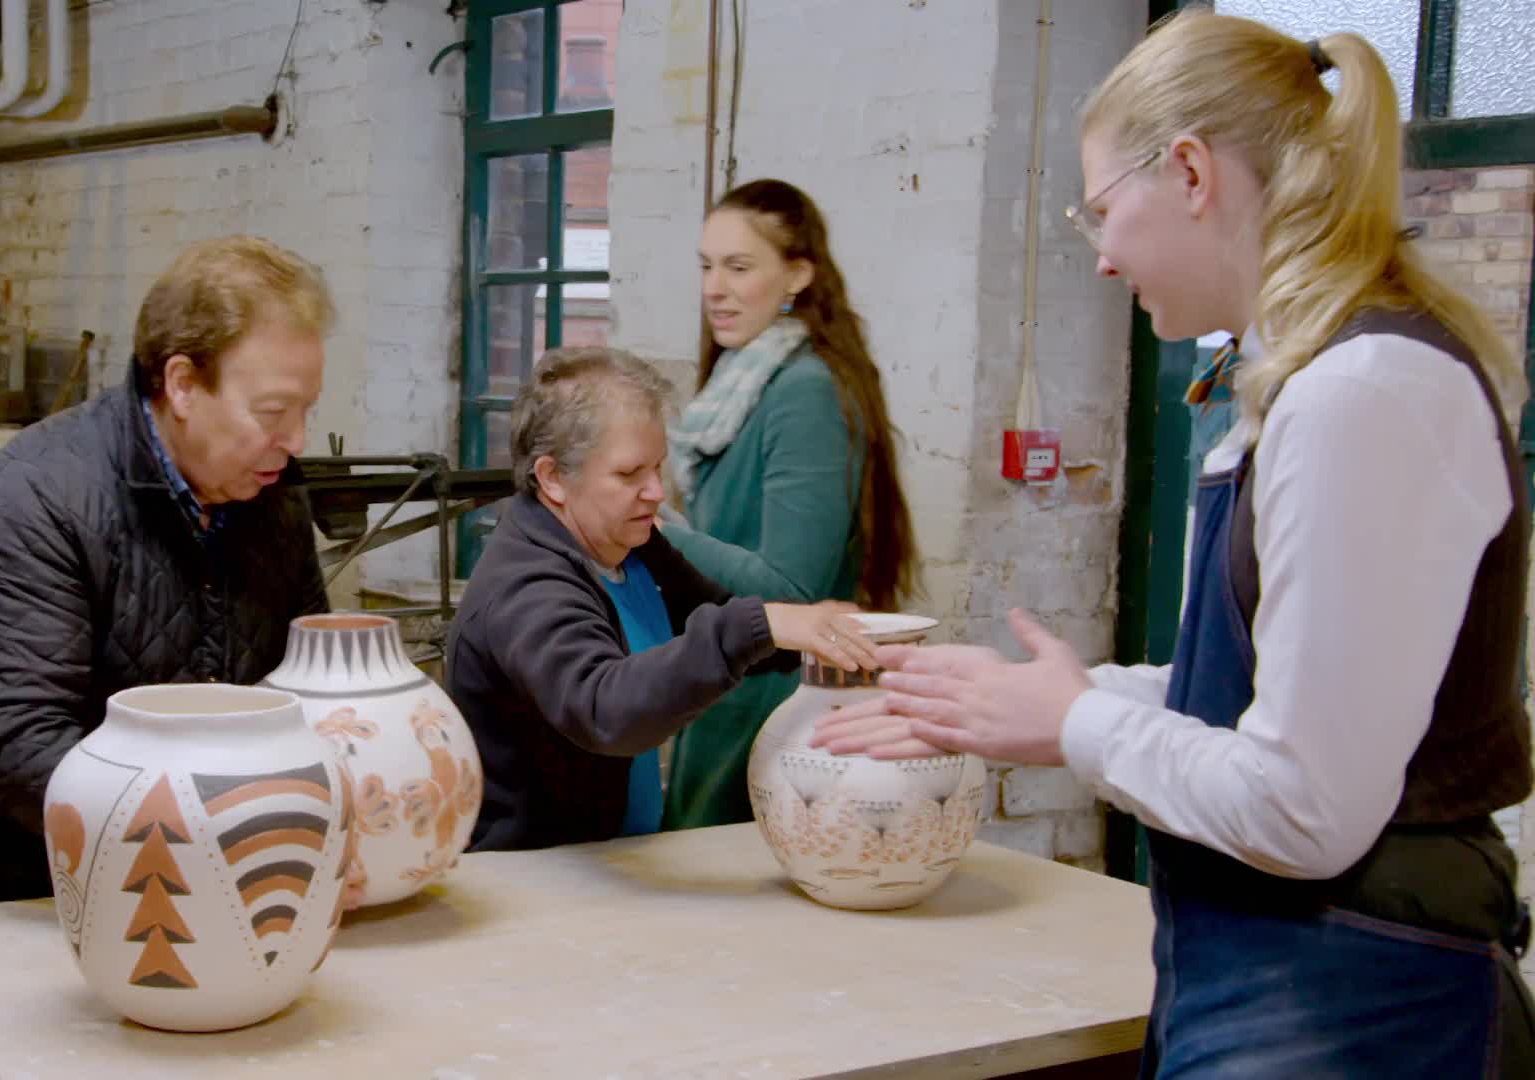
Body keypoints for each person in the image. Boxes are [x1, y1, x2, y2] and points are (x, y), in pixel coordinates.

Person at [813, 10, 1534, 1076]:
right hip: (1275, 975)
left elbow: (1305, 809)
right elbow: (1261, 701)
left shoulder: (1362, 392)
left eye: (1102, 209)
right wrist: (1026, 704)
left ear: (1191, 173)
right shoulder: (1305, 383)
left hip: (1365, 998)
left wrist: (1075, 723)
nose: (1102, 258)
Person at [0, 236, 335, 913]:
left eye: (305, 411)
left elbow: (308, 687)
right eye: (272, 412)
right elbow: (13, 738)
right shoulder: (39, 494)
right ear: (182, 384)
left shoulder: (272, 497)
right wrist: (215, 841)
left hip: (195, 890)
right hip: (12, 897)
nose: (295, 440)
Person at [446, 346, 878, 852]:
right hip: (535, 872)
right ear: (553, 478)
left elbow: (729, 632)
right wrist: (759, 624)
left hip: (614, 855)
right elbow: (605, 709)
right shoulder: (526, 588)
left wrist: (828, 642)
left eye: (657, 468)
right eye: (629, 474)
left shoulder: (635, 547)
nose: (655, 492)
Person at [660, 179, 921, 830]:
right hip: (733, 679)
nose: (714, 288)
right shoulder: (742, 382)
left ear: (798, 275)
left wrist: (657, 530)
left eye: (739, 267)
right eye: (706, 266)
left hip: (777, 702)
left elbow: (792, 588)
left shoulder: (805, 392)